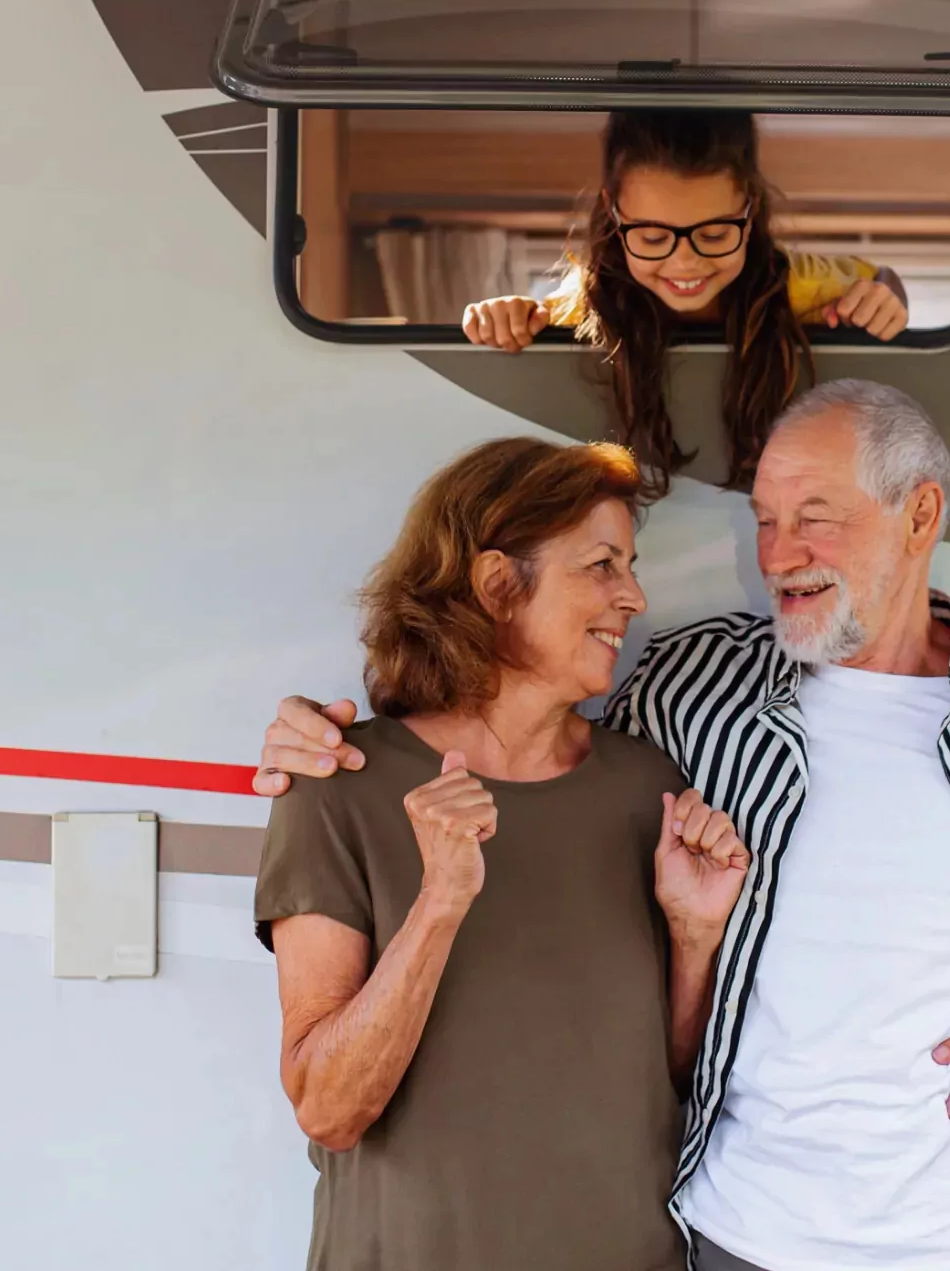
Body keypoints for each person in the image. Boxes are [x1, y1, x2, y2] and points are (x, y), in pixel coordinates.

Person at [255, 382, 950, 1271]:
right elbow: (508, 716)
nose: (778, 554)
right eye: (762, 518)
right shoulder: (692, 683)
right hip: (755, 1235)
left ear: (918, 514)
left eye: (815, 515)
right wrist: (328, 731)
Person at [253, 436, 752, 1271]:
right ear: (494, 584)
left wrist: (696, 940)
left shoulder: (650, 790)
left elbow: (662, 1081)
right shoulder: (337, 784)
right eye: (600, 565)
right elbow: (329, 1109)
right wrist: (440, 904)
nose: (632, 596)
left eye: (629, 567)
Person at [460, 109, 910, 496]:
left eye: (714, 234)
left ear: (750, 209)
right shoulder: (589, 302)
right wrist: (501, 316)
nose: (685, 262)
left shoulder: (797, 285)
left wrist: (884, 300)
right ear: (614, 213)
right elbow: (526, 318)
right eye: (653, 237)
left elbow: (883, 281)